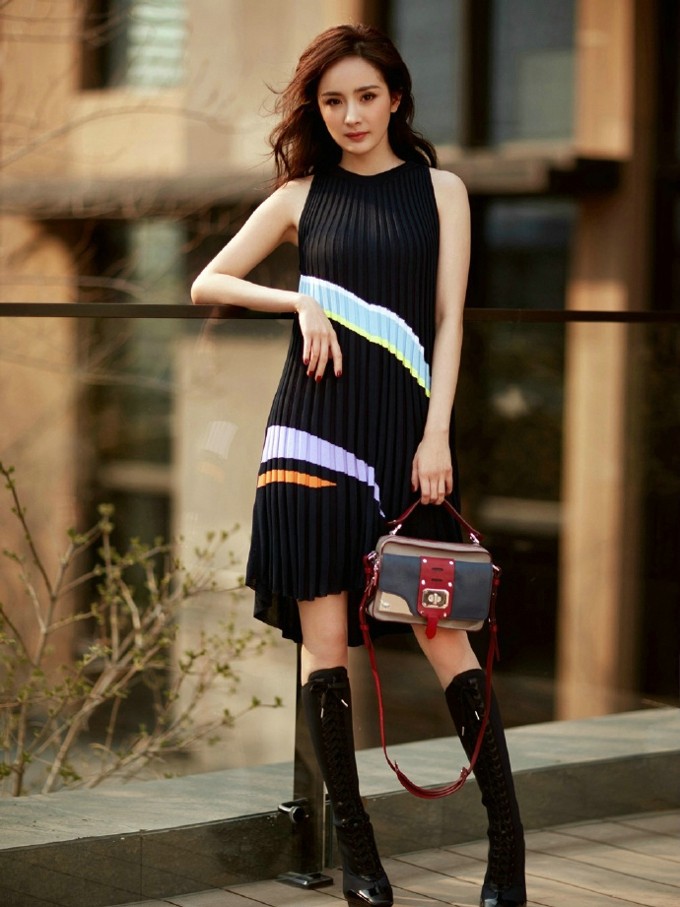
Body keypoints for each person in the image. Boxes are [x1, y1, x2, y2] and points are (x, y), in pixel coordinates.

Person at [191, 23, 526, 907]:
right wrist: (297, 300)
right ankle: (361, 859)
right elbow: (208, 281)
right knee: (327, 644)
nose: (351, 115)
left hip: (406, 439)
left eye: (366, 97)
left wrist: (437, 433)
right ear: (318, 107)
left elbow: (449, 319)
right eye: (334, 100)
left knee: (444, 632)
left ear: (396, 98)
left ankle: (508, 851)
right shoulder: (301, 196)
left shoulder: (440, 190)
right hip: (307, 438)